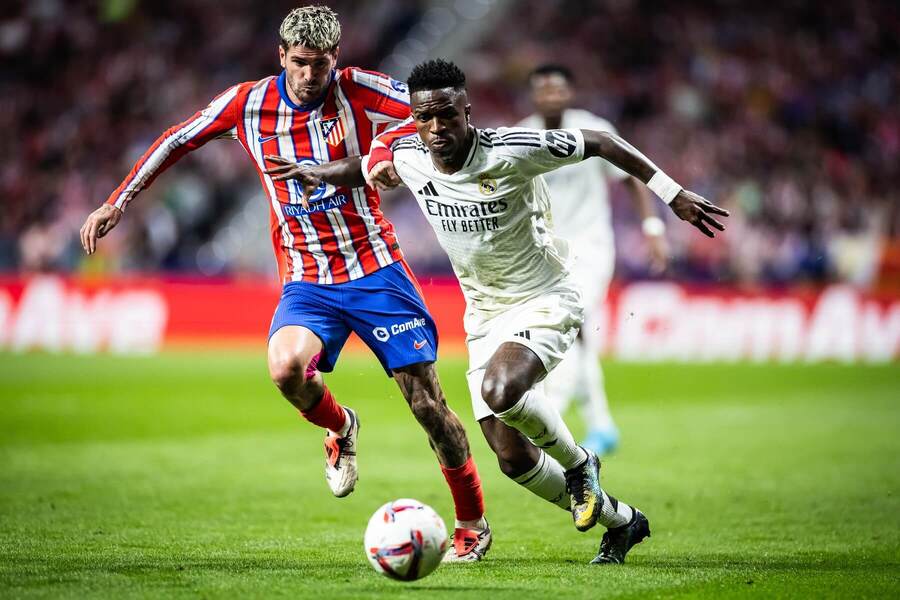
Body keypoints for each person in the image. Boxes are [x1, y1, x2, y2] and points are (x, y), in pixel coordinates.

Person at [266, 59, 728, 563]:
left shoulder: (512, 150)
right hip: (484, 313)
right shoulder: (411, 153)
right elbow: (365, 167)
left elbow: (601, 142)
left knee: (501, 389)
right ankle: (623, 522)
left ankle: (579, 465)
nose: (437, 129)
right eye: (425, 118)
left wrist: (672, 195)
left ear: (467, 110)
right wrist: (319, 173)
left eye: (448, 115)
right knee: (511, 457)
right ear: (414, 120)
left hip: (546, 296)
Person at [78, 7, 491, 562]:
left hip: (376, 271)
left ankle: (472, 522)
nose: (309, 76)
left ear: (334, 59)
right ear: (281, 57)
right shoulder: (247, 103)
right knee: (284, 368)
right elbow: (177, 139)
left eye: (320, 65)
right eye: (299, 64)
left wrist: (387, 149)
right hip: (308, 279)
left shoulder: (358, 88)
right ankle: (341, 426)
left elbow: (430, 115)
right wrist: (116, 201)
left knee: (427, 405)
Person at [517, 64, 669, 455]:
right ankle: (601, 425)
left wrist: (652, 227)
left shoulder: (592, 129)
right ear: (534, 96)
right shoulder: (521, 135)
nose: (551, 96)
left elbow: (632, 175)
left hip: (591, 248)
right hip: (545, 255)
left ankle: (553, 414)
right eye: (543, 90)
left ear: (569, 93)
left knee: (570, 324)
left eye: (557, 89)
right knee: (577, 333)